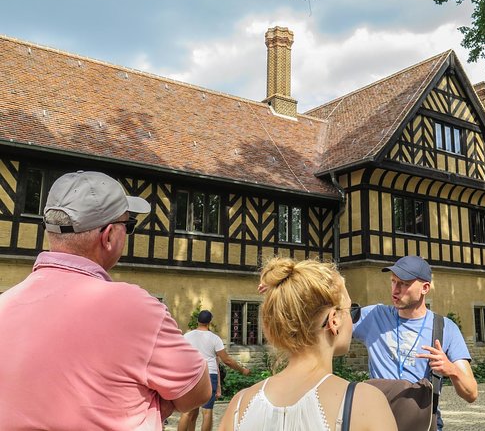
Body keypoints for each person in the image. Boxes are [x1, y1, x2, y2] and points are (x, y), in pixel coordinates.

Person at [0, 170, 211, 430]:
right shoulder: (135, 308)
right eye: (128, 226)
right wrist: (155, 406)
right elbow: (198, 390)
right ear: (109, 236)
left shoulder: (5, 304)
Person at [220, 257, 397, 431]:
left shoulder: (240, 404)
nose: (353, 318)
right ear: (334, 320)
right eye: (351, 310)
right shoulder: (365, 402)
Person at [353, 255, 478, 431]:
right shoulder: (374, 316)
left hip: (422, 424)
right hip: (377, 422)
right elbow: (330, 326)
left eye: (404, 284)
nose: (395, 290)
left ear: (425, 288)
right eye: (393, 281)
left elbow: (471, 393)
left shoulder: (445, 329)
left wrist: (451, 369)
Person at [179, 310, 251, 431]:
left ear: (198, 321)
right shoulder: (214, 338)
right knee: (207, 412)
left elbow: (179, 355)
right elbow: (226, 360)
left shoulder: (186, 337)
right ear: (209, 322)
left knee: (187, 412)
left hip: (191, 374)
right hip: (208, 374)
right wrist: (242, 370)